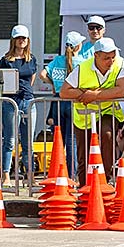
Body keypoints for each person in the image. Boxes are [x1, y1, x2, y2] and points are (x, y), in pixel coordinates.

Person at [58, 37, 124, 185]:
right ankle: (84, 189)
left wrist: (94, 95)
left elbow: (121, 90)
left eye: (113, 57)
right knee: (84, 155)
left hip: (109, 112)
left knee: (107, 135)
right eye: (106, 58)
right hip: (84, 119)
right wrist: (86, 94)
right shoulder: (82, 68)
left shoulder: (119, 64)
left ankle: (105, 182)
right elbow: (64, 92)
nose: (111, 61)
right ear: (96, 55)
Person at [40, 30, 86, 178]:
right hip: (73, 101)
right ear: (78, 46)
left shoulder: (57, 60)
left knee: (58, 139)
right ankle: (71, 175)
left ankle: (56, 173)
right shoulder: (82, 62)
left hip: (58, 101)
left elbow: (42, 75)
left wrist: (53, 83)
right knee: (71, 139)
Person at [0, 25, 38, 186]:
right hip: (11, 101)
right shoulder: (5, 60)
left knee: (28, 141)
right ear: (13, 40)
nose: (22, 41)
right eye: (19, 38)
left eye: (24, 38)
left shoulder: (31, 59)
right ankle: (6, 175)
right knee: (9, 140)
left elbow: (32, 79)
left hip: (28, 100)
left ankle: (30, 175)